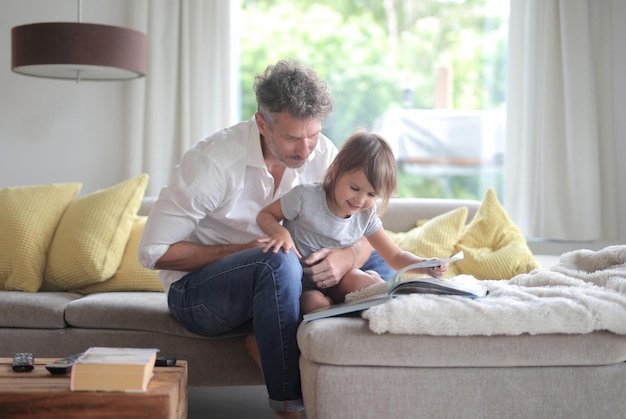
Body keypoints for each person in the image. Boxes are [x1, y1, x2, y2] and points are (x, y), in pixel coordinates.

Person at [138, 60, 391, 418]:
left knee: (379, 270)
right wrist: (247, 250)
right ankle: (290, 408)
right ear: (262, 123)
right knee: (277, 259)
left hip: (286, 286)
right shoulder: (213, 163)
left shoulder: (324, 155)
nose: (305, 151)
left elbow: (367, 226)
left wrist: (348, 256)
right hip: (201, 296)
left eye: (313, 135)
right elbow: (154, 252)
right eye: (291, 137)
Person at [257, 131, 449, 314]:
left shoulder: (366, 214)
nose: (360, 200)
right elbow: (265, 215)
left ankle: (375, 292)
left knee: (365, 285)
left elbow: (395, 256)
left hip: (341, 280)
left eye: (372, 194)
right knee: (316, 304)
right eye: (355, 188)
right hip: (304, 284)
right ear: (336, 168)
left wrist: (425, 265)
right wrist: (280, 233)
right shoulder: (305, 197)